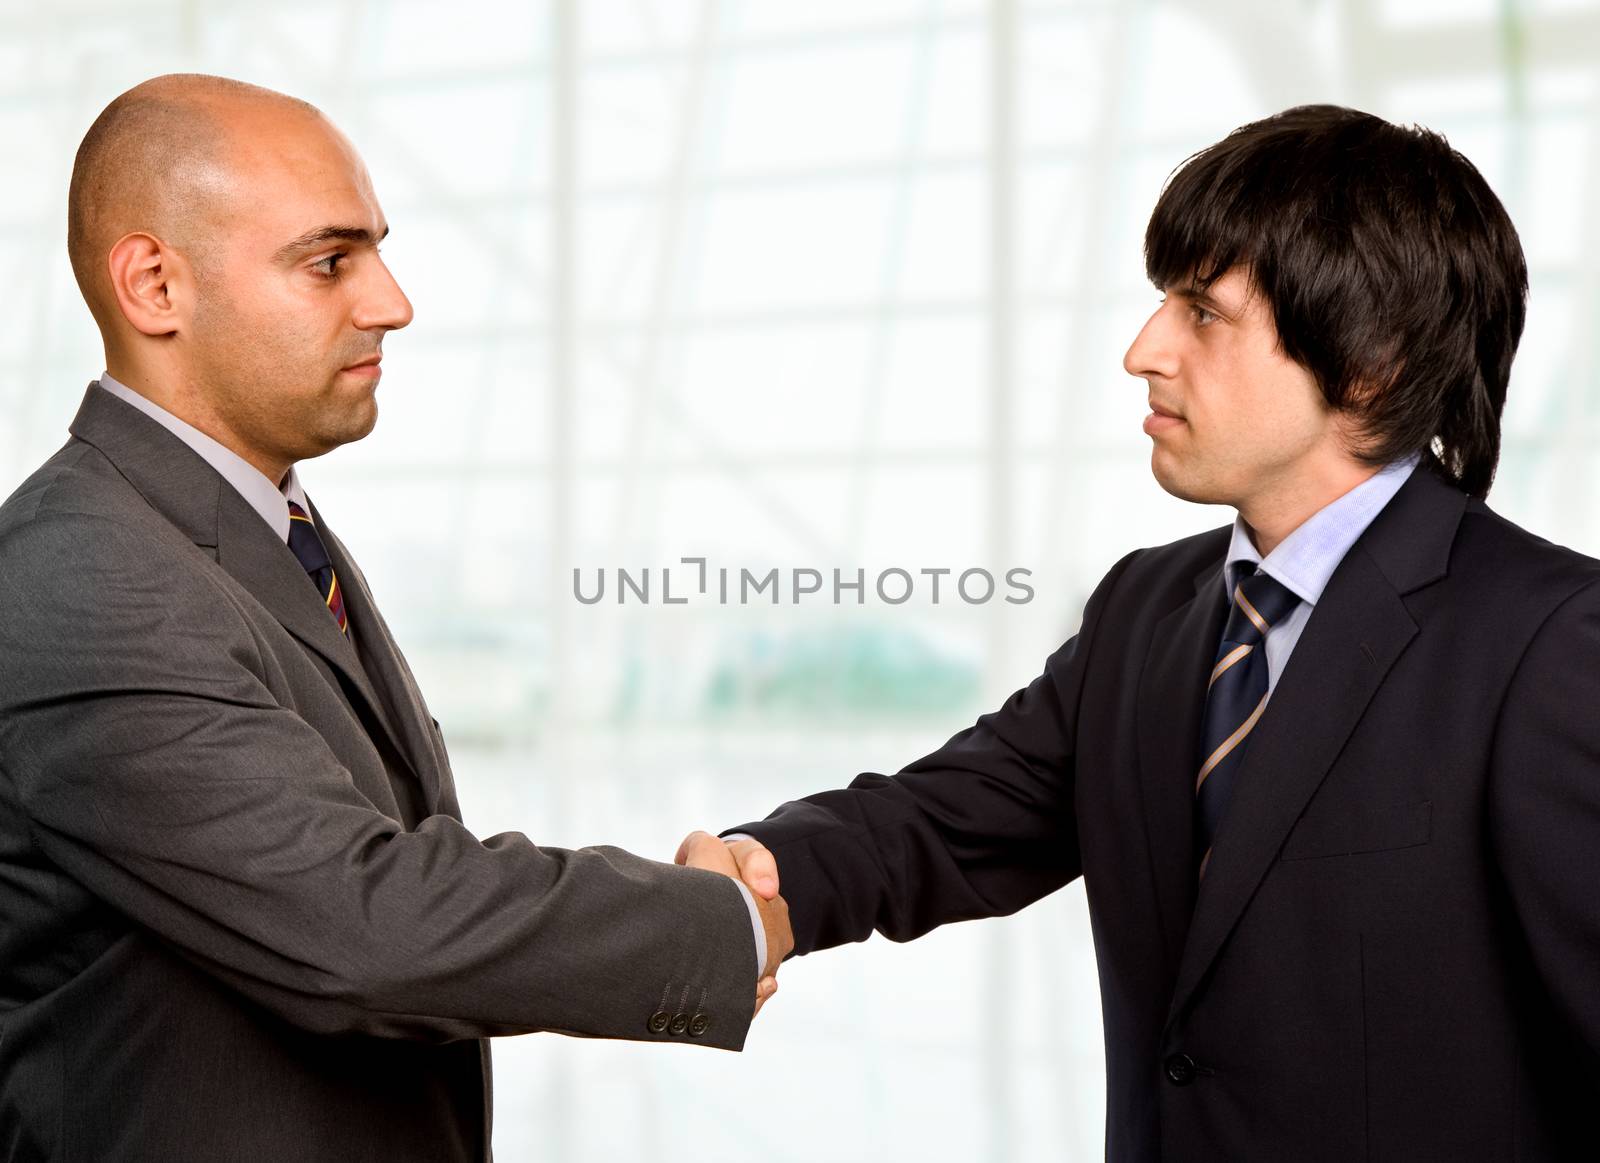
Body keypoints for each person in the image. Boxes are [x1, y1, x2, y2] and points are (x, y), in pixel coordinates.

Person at [680, 104, 1600, 1160]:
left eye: (1201, 312)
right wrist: (755, 884)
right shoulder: (1145, 612)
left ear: (1371, 365)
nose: (1141, 350)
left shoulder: (1550, 645)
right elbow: (953, 818)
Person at [0, 74, 791, 1160]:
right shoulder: (81, 564)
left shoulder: (263, 525)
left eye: (375, 249)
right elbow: (362, 919)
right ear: (153, 285)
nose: (391, 301)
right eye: (329, 262)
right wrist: (713, 920)